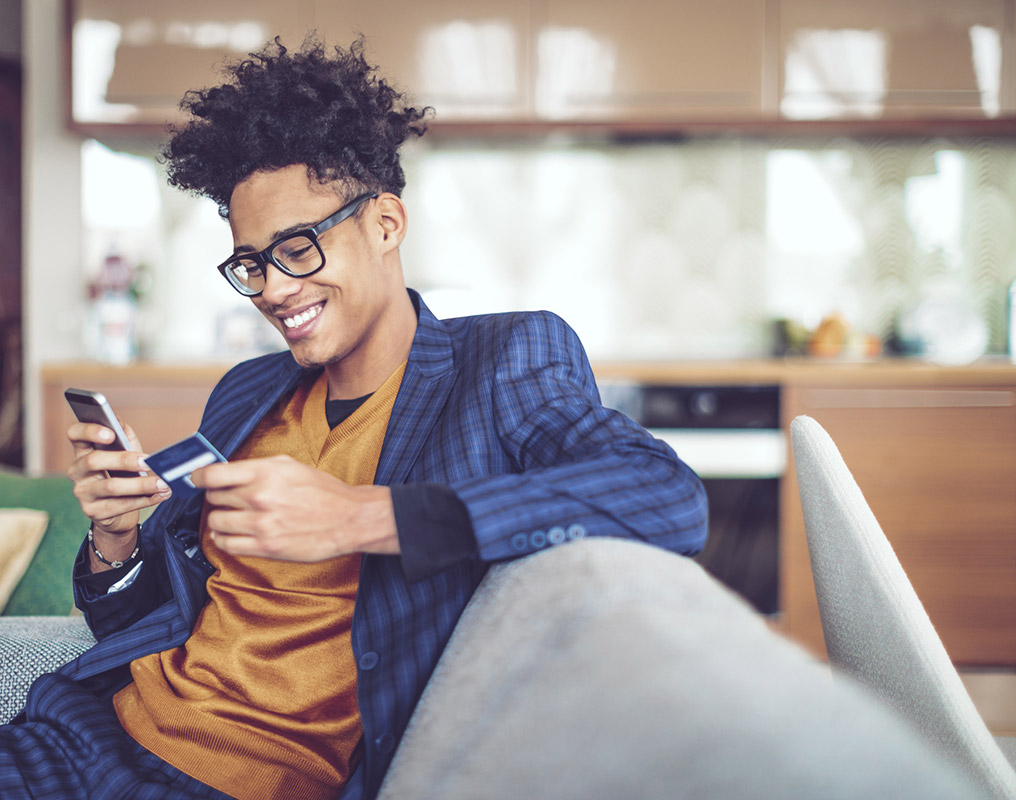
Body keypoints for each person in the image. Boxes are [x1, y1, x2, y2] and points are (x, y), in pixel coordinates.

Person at [0, 37, 707, 800]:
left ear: (386, 225)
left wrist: (363, 518)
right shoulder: (246, 393)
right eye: (251, 263)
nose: (272, 288)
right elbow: (151, 626)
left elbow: (663, 494)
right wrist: (117, 538)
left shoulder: (502, 360)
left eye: (298, 248)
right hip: (77, 737)